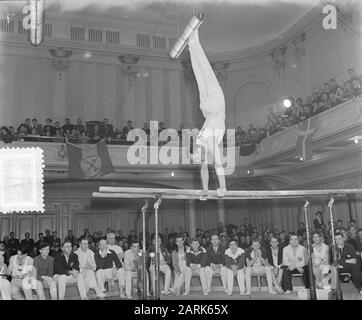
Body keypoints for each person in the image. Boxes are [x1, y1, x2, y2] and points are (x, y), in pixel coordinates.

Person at [188, 28, 227, 198]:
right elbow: (217, 163)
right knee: (204, 71)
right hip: (216, 106)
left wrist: (204, 190)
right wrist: (223, 187)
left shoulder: (201, 141)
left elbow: (204, 168)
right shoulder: (208, 142)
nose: (200, 158)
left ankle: (192, 45)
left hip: (207, 110)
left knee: (199, 73)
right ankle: (193, 42)